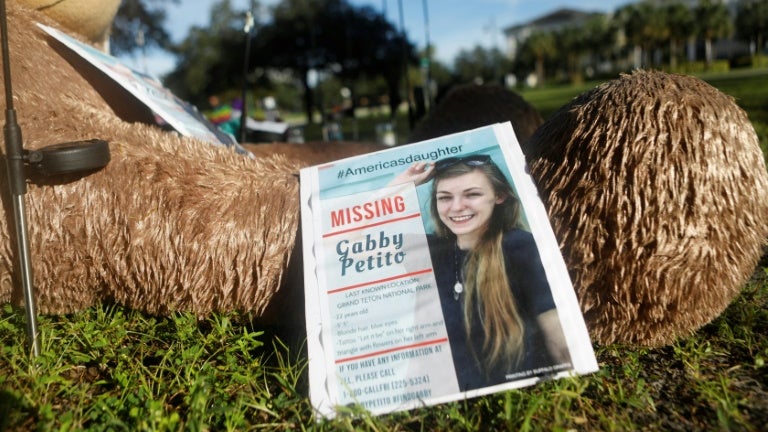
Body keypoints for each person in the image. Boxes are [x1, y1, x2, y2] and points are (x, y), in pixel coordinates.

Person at [391, 154, 570, 391]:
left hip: (514, 396)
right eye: (444, 198)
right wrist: (398, 187)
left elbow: (555, 330)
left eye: (472, 194)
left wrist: (570, 394)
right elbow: (341, 244)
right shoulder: (431, 251)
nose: (456, 207)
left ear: (499, 196)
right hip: (444, 400)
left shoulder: (520, 246)